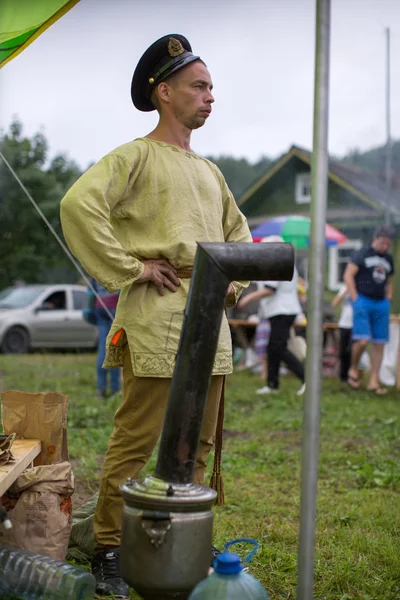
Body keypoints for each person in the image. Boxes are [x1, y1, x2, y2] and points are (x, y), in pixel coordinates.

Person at [60, 34, 252, 597]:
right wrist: (131, 267)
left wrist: (228, 285)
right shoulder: (134, 156)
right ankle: (111, 546)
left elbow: (238, 235)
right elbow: (78, 204)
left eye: (212, 86)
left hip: (207, 317)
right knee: (138, 437)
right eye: (199, 86)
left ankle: (186, 537)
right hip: (157, 314)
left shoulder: (212, 172)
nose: (210, 96)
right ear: (164, 92)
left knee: (199, 444)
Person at [238, 235, 305, 395]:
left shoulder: (279, 263)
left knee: (278, 348)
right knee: (273, 348)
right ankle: (272, 385)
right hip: (277, 311)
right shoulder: (278, 263)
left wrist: (248, 298)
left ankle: (306, 379)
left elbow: (270, 289)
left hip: (283, 310)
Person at [344, 225, 395, 394]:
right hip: (363, 300)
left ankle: (374, 381)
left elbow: (388, 281)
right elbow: (348, 275)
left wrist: (388, 299)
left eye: (388, 244)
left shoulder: (388, 259)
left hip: (381, 303)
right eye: (382, 243)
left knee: (379, 343)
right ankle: (353, 368)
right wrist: (355, 298)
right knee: (363, 340)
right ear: (375, 238)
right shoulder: (362, 253)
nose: (385, 247)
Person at [91, 279, 121, 398]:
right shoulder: (119, 261)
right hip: (114, 305)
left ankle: (101, 389)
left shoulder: (96, 266)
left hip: (99, 306)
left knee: (102, 348)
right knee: (114, 348)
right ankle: (115, 389)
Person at [332, 284, 353, 382]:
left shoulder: (362, 286)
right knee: (343, 351)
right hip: (344, 323)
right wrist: (347, 289)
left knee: (353, 351)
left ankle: (353, 375)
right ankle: (343, 376)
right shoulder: (344, 288)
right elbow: (335, 303)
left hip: (357, 324)